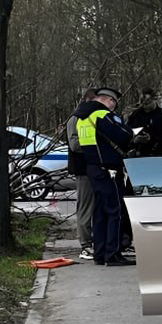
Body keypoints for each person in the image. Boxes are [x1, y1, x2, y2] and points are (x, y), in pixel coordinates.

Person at [73, 87, 135, 266]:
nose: (114, 106)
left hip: (93, 167)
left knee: (100, 212)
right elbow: (122, 135)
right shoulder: (101, 114)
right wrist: (130, 133)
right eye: (113, 102)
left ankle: (100, 253)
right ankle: (113, 254)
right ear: (109, 100)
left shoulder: (82, 117)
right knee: (115, 211)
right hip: (109, 169)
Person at [67, 89, 98, 261]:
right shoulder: (76, 118)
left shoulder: (93, 117)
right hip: (83, 168)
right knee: (85, 207)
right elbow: (74, 145)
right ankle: (85, 244)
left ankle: (92, 241)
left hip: (94, 167)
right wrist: (95, 143)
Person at [125, 88, 162, 157]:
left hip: (158, 155)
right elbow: (128, 131)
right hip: (139, 155)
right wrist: (134, 140)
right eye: (143, 103)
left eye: (147, 103)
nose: (145, 106)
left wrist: (152, 138)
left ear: (155, 99)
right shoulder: (136, 115)